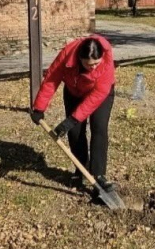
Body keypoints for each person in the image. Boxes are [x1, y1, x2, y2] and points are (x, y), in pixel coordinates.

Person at [30, 35, 116, 196]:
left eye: (96, 63)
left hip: (100, 95)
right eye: (88, 64)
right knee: (75, 132)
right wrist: (39, 108)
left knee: (99, 128)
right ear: (79, 58)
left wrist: (73, 119)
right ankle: (81, 169)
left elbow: (98, 95)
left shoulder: (106, 60)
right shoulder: (67, 55)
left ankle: (99, 175)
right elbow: (51, 79)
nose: (93, 68)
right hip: (74, 92)